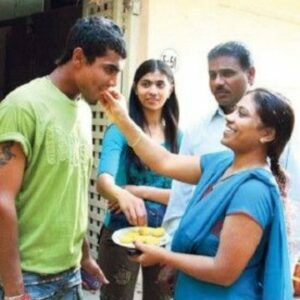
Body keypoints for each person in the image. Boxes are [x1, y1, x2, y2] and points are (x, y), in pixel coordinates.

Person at [98, 87, 294, 299]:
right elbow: (164, 161)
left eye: (242, 114)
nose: (229, 117)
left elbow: (223, 271)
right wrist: (122, 117)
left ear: (267, 134)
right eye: (235, 110)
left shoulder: (253, 191)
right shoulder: (221, 164)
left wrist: (165, 257)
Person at [0, 16, 126, 299]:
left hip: (69, 276)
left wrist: (84, 257)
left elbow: (73, 192)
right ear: (79, 57)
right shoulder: (22, 106)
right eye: (109, 69)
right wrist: (13, 290)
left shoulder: (83, 110)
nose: (113, 82)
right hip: (28, 280)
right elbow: (2, 201)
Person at [96, 59, 181, 300]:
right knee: (116, 296)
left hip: (164, 234)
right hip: (121, 232)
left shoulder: (180, 137)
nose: (153, 91)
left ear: (170, 88)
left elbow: (183, 195)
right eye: (146, 84)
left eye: (159, 84)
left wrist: (136, 191)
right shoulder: (118, 130)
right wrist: (119, 193)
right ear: (135, 88)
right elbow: (104, 181)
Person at [162, 41, 256, 242]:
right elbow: (180, 198)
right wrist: (174, 247)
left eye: (227, 73)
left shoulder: (270, 130)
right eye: (212, 75)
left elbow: (293, 203)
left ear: (250, 75)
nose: (218, 82)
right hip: (195, 253)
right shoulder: (196, 131)